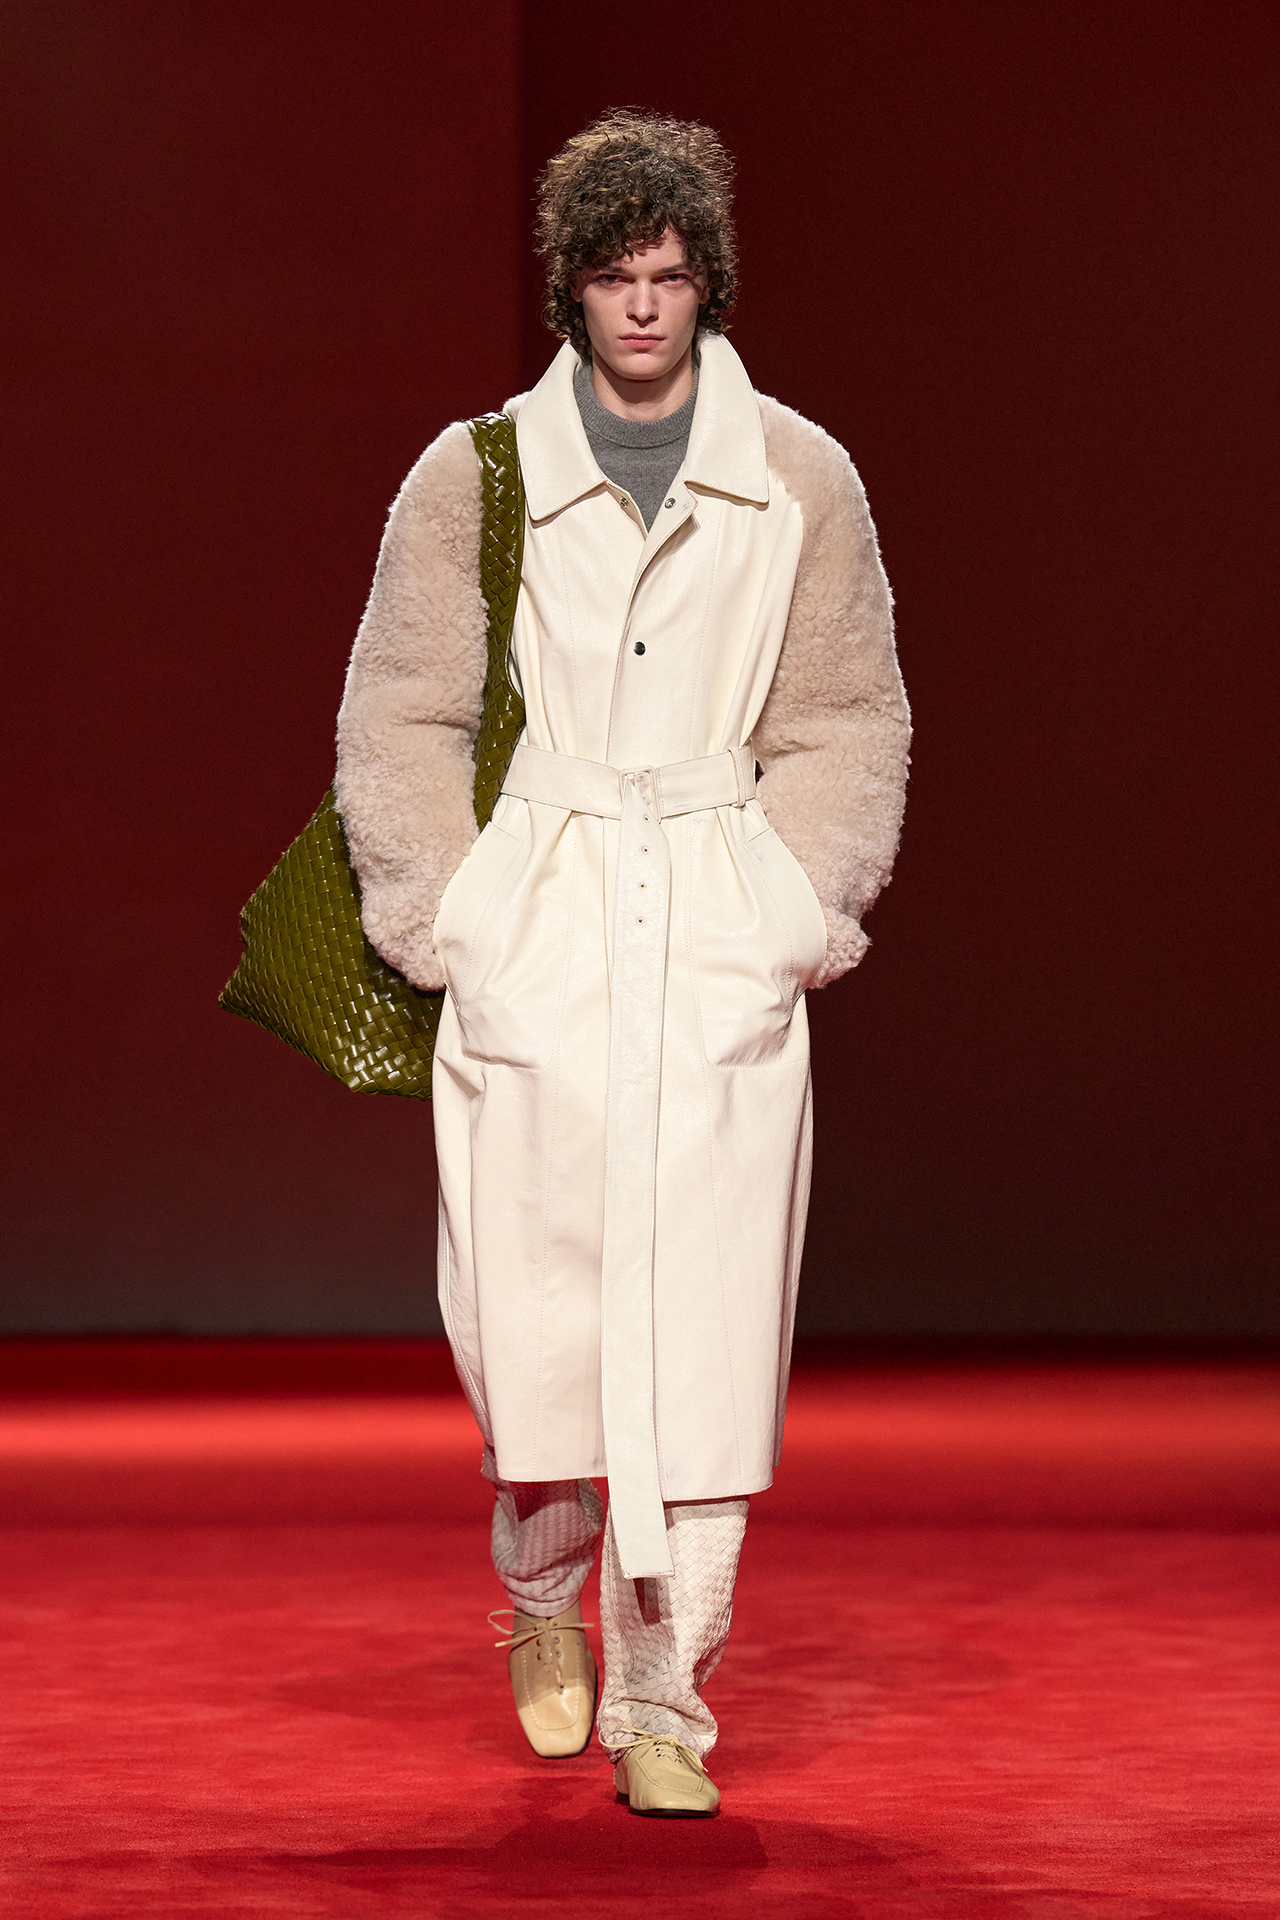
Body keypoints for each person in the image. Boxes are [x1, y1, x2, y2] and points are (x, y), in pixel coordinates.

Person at [335, 111, 909, 1816]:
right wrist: (449, 913)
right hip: (548, 910)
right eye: (612, 276)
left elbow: (846, 710)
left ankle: (667, 1699)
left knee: (706, 1327)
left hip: (715, 915)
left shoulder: (798, 475)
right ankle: (539, 1598)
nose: (643, 305)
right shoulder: (476, 475)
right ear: (570, 289)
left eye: (667, 274)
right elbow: (404, 705)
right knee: (534, 1314)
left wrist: (793, 907)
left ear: (707, 280)